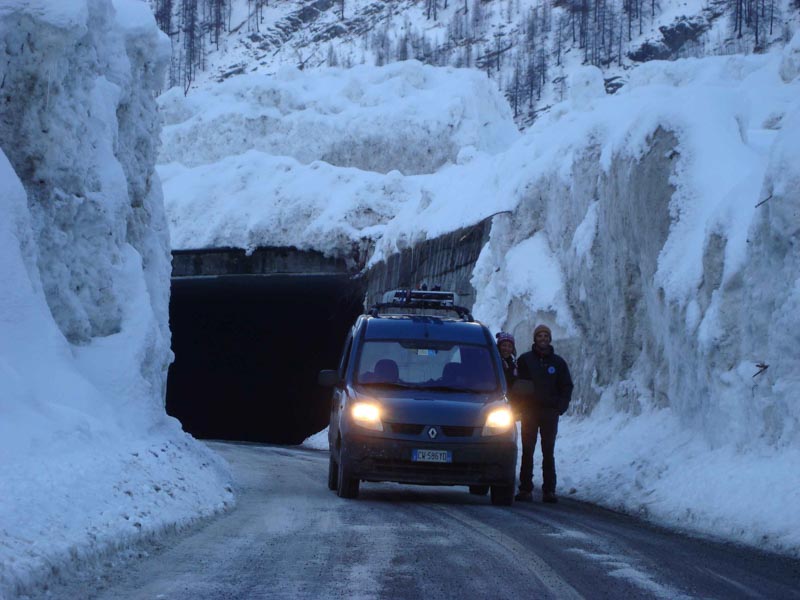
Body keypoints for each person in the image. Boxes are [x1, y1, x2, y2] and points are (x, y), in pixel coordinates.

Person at [513, 324, 573, 504]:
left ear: (550, 339)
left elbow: (567, 386)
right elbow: (517, 385)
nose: (543, 339)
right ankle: (525, 489)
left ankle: (549, 491)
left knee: (548, 451)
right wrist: (519, 406)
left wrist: (560, 407)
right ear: (535, 339)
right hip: (530, 412)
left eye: (546, 336)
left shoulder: (558, 363)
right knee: (528, 450)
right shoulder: (525, 360)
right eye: (540, 335)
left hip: (549, 412)